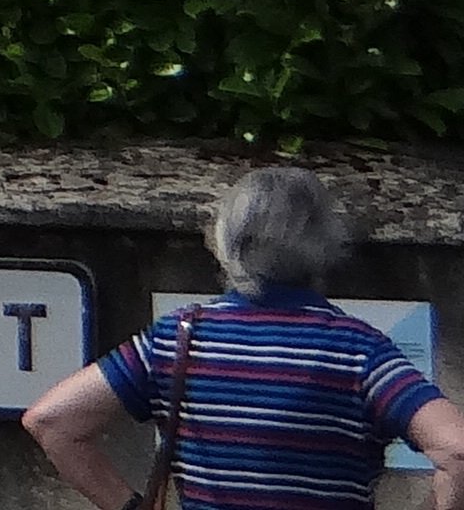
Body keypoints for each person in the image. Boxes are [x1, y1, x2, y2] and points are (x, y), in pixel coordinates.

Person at [25, 164, 464, 506]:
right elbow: (457, 452)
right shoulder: (359, 352)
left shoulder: (179, 337)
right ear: (326, 243)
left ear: (226, 240)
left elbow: (51, 421)